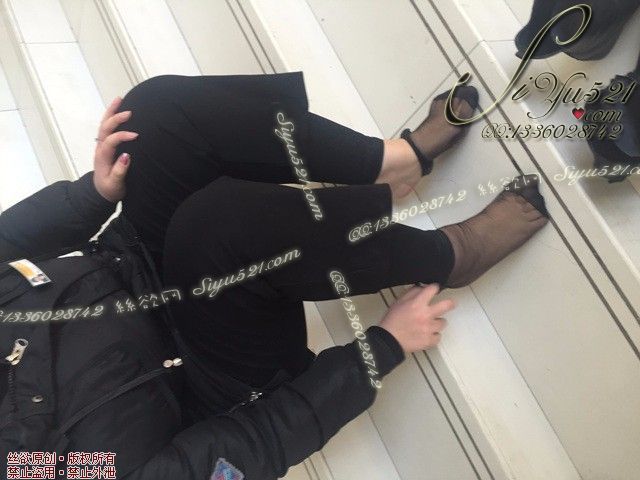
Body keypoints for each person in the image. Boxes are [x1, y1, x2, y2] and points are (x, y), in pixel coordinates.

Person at [0, 72, 548, 479]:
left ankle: (392, 161)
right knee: (217, 223)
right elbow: (246, 448)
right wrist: (380, 348)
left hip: (126, 264)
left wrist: (92, 194)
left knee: (151, 115)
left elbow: (7, 245)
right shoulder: (37, 469)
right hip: (205, 365)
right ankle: (450, 255)